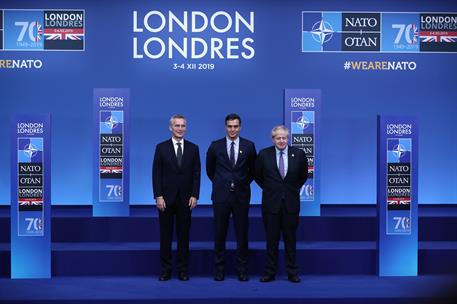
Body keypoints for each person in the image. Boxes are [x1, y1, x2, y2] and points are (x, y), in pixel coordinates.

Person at [206, 113, 257, 281]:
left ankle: (242, 269)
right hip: (221, 196)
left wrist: (241, 182)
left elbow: (253, 171)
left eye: (235, 126)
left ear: (240, 127)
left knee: (242, 234)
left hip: (241, 196)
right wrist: (223, 183)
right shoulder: (215, 146)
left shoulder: (249, 146)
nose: (232, 129)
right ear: (225, 127)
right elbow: (210, 170)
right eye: (230, 126)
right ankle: (219, 269)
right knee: (219, 233)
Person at [255, 125, 308, 283]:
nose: (281, 140)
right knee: (271, 241)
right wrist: (272, 189)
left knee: (290, 240)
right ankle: (270, 272)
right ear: (273, 139)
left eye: (284, 137)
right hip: (271, 204)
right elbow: (258, 176)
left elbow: (303, 176)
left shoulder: (298, 154)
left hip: (291, 204)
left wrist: (290, 190)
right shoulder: (264, 154)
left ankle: (292, 273)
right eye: (278, 138)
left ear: (288, 138)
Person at [152, 114, 201, 281]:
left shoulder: (194, 148)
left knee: (184, 237)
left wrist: (195, 194)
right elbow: (156, 174)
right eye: (177, 126)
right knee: (165, 237)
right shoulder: (161, 147)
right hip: (165, 199)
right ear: (170, 128)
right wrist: (158, 196)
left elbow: (196, 174)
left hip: (186, 200)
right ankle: (165, 270)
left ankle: (182, 270)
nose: (180, 129)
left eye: (183, 126)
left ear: (186, 128)